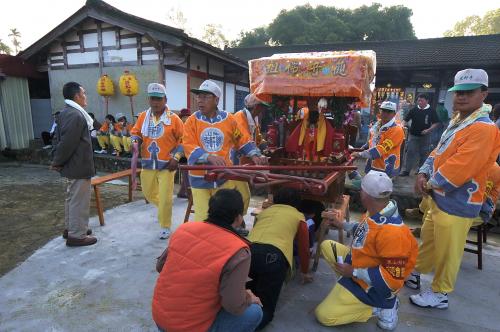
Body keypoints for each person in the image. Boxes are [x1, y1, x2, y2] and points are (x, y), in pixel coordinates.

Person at [407, 68, 500, 309]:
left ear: (483, 94)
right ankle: (417, 272)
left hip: (459, 203)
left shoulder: (484, 128)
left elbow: (461, 167)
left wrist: (429, 183)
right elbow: (438, 151)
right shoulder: (458, 122)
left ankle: (440, 294)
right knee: (428, 240)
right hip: (438, 198)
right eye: (458, 92)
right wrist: (423, 171)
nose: (461, 97)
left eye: (469, 92)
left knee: (449, 251)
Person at [316, 171, 418, 330]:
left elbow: (392, 278)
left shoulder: (394, 233)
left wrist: (353, 272)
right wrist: (340, 223)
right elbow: (364, 230)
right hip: (360, 266)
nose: (359, 191)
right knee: (327, 246)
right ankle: (349, 288)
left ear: (366, 196)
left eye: (361, 189)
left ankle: (382, 307)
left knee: (325, 316)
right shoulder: (377, 210)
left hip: (377, 287)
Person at [152, 189, 263, 332]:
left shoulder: (184, 229)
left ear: (210, 210)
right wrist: (248, 298)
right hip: (190, 327)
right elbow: (233, 305)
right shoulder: (239, 251)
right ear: (239, 218)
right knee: (254, 312)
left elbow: (160, 266)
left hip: (160, 319)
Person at [183, 79, 266, 222]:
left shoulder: (228, 119)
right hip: (199, 178)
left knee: (225, 215)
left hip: (223, 176)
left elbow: (241, 139)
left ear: (216, 100)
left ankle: (234, 227)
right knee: (203, 219)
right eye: (199, 96)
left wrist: (254, 154)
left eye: (205, 97)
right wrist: (207, 157)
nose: (200, 101)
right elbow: (188, 144)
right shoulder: (192, 121)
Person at [247, 187, 313, 330]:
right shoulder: (299, 216)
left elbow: (257, 232)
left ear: (275, 200)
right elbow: (304, 248)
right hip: (274, 256)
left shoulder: (265, 212)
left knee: (247, 294)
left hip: (247, 252)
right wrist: (305, 271)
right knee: (266, 309)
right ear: (297, 203)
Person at [131, 83, 184, 239]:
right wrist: (134, 141)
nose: (155, 102)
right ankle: (164, 209)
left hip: (167, 164)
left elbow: (183, 140)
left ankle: (165, 225)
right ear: (149, 100)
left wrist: (176, 157)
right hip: (148, 162)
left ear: (165, 99)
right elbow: (136, 133)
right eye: (153, 99)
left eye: (159, 99)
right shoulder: (142, 117)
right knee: (148, 193)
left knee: (166, 196)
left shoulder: (174, 119)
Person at [50, 82, 96, 246]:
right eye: (84, 93)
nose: (85, 96)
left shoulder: (66, 112)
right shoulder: (76, 115)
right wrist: (57, 162)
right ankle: (77, 235)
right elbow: (67, 143)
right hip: (78, 165)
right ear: (77, 96)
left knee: (71, 198)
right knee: (79, 200)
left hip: (73, 165)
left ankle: (72, 228)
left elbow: (60, 140)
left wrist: (58, 161)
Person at [232, 93, 269, 220]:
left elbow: (257, 138)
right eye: (262, 107)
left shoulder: (254, 119)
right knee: (242, 195)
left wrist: (265, 146)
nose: (263, 110)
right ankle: (236, 221)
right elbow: (244, 139)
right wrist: (256, 154)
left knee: (242, 195)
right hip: (233, 163)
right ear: (256, 107)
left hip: (242, 164)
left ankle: (238, 220)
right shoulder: (239, 117)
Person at [351, 101, 404, 178]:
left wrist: (360, 154)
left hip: (386, 169)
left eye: (389, 111)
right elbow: (372, 140)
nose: (385, 113)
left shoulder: (397, 130)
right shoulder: (377, 124)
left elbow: (382, 149)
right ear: (380, 111)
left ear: (394, 114)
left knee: (380, 189)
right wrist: (362, 148)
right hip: (372, 165)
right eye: (384, 110)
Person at [400, 94, 439, 176]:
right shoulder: (414, 110)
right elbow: (405, 120)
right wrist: (403, 126)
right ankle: (407, 170)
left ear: (427, 101)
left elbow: (436, 123)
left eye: (421, 100)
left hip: (426, 136)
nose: (419, 102)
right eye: (418, 100)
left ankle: (421, 171)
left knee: (424, 153)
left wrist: (428, 130)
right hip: (413, 135)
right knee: (410, 152)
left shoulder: (431, 111)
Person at [176, 108, 191, 198]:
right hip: (181, 153)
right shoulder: (179, 126)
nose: (185, 119)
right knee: (186, 173)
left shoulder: (190, 126)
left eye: (187, 117)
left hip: (188, 152)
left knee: (186, 173)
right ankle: (187, 193)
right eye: (184, 117)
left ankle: (182, 192)